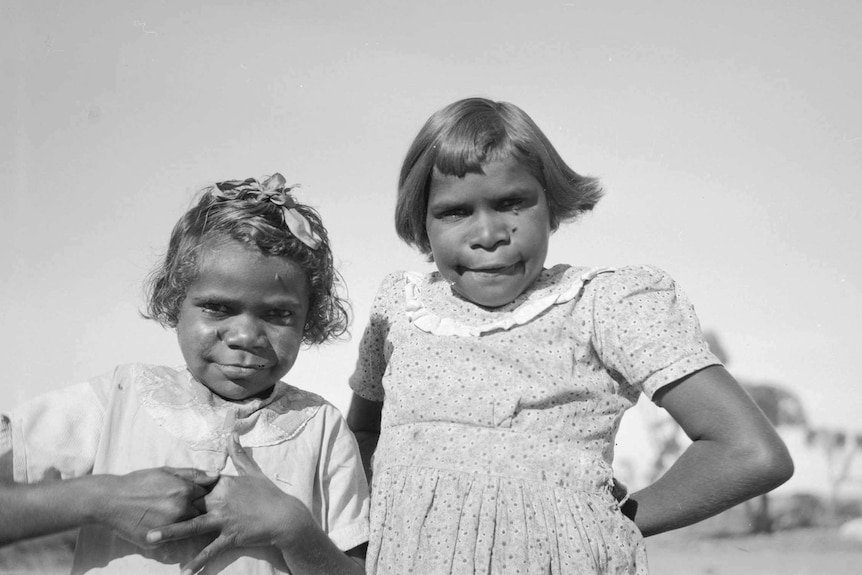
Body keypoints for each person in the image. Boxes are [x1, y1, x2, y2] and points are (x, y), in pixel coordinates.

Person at [346, 98, 794, 574]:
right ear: (422, 222)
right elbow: (363, 431)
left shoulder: (603, 303)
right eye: (454, 211)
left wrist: (613, 523)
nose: (489, 233)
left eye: (511, 202)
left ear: (551, 204)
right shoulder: (402, 306)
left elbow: (750, 451)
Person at [0, 174, 369, 575]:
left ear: (308, 319)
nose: (245, 336)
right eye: (217, 307)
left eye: (278, 314)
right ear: (176, 303)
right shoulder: (120, 400)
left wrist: (292, 527)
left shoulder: (321, 428)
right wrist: (102, 498)